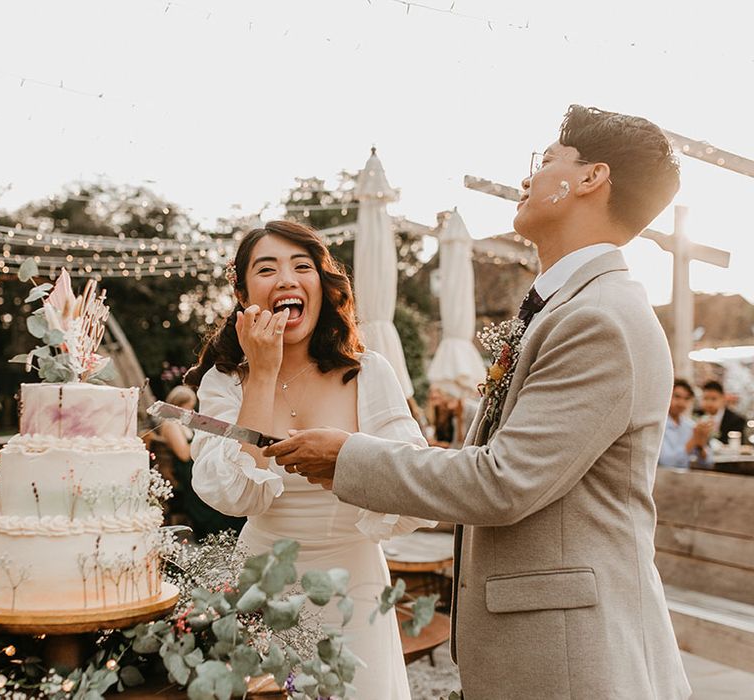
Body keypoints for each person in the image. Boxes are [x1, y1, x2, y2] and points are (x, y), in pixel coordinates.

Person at [265, 106, 691, 699]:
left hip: (573, 657)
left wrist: (348, 458)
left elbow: (503, 481)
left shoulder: (600, 321)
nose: (527, 180)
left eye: (546, 162)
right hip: (549, 643)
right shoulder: (574, 308)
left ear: (590, 179)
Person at [184, 221, 433, 700]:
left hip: (355, 586)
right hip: (262, 586)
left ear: (322, 283)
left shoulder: (369, 372)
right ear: (242, 292)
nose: (287, 280)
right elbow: (233, 497)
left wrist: (345, 459)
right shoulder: (222, 382)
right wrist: (261, 373)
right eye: (266, 269)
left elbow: (414, 489)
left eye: (303, 267)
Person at [158, 385, 246, 540]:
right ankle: (218, 527)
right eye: (188, 408)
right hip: (185, 472)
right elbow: (184, 454)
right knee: (214, 483)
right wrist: (207, 435)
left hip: (194, 465)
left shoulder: (183, 423)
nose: (192, 412)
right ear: (178, 405)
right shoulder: (170, 424)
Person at [658, 379, 712, 469]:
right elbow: (666, 462)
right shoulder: (658, 424)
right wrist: (693, 440)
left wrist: (701, 445)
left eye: (686, 399)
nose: (681, 403)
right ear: (667, 395)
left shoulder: (690, 426)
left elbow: (707, 463)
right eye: (677, 397)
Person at [699, 379, 747, 445]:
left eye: (713, 399)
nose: (709, 403)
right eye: (705, 398)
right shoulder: (697, 415)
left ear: (723, 399)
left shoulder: (736, 420)